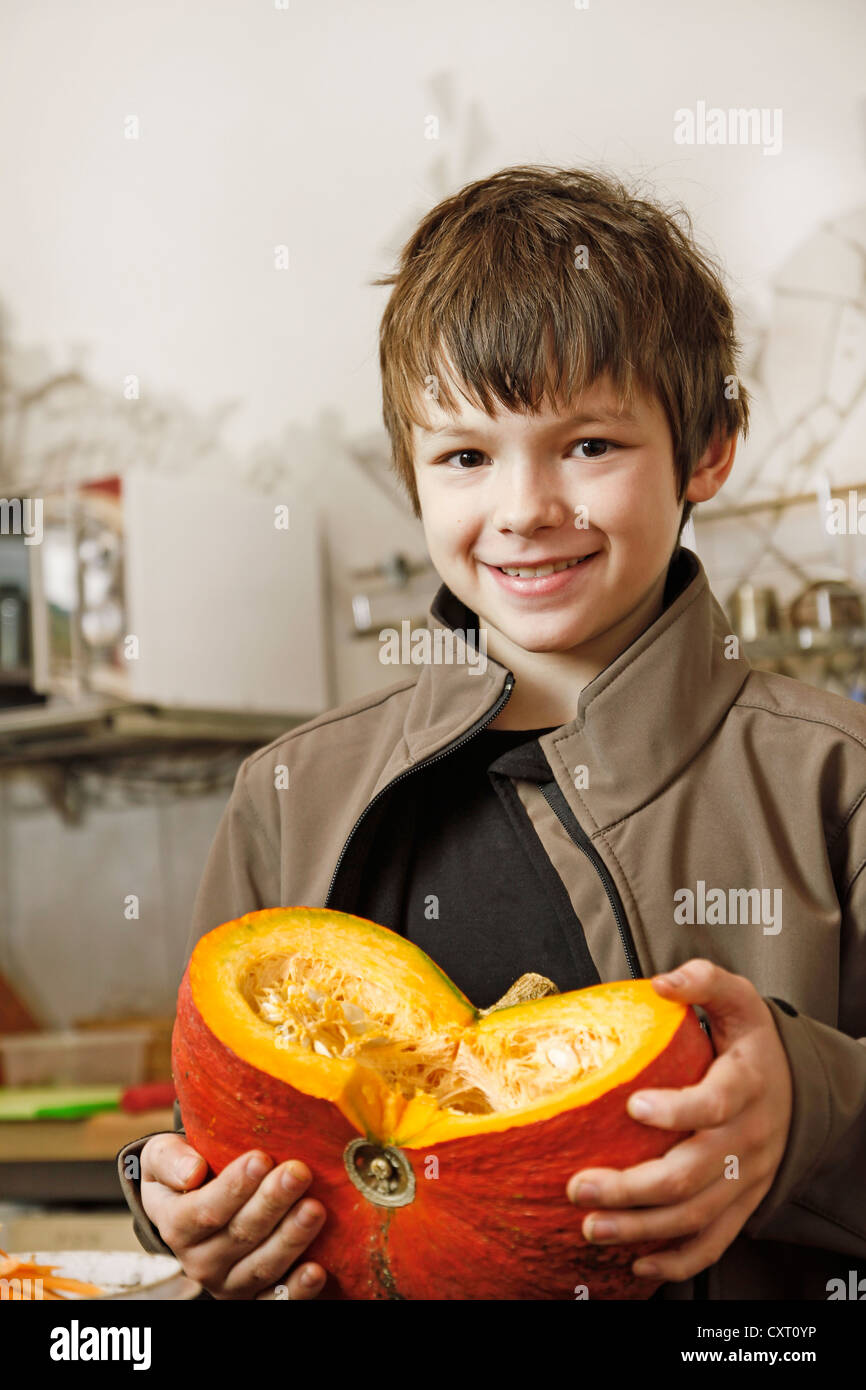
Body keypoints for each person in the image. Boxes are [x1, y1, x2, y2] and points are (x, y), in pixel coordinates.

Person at [117, 165, 866, 1301]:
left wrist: (802, 1106)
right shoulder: (286, 793)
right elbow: (212, 1120)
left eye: (587, 446)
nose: (522, 509)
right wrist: (167, 1195)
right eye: (465, 456)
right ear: (409, 476)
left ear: (706, 447)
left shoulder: (835, 778)